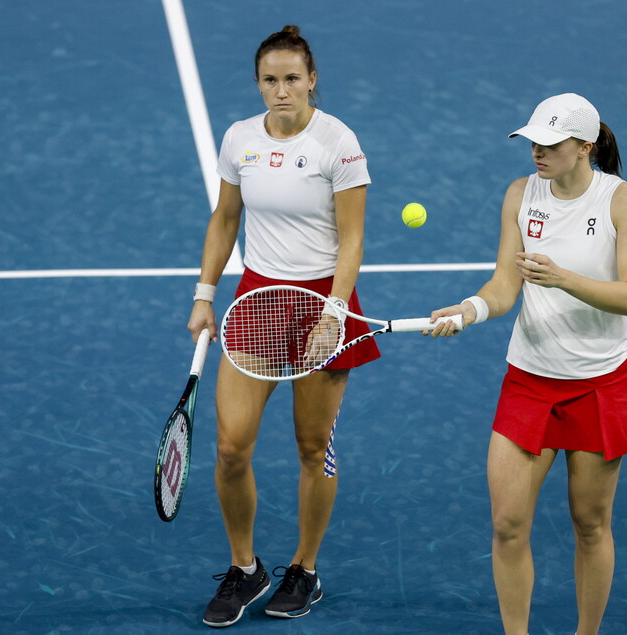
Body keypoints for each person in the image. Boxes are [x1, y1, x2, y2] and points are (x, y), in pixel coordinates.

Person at [428, 93, 627, 635]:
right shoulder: (520, 194)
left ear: (583, 147)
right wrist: (469, 311)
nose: (537, 151)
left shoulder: (622, 203)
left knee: (590, 523)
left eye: (550, 144)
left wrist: (563, 278)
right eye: (533, 140)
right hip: (530, 380)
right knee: (508, 525)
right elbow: (505, 286)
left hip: (602, 382)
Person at [186, 25, 379, 629]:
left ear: (312, 78)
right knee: (229, 447)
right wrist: (204, 294)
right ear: (258, 83)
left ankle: (305, 568)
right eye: (270, 80)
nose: (281, 90)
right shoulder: (240, 139)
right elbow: (224, 219)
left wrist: (336, 311)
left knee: (311, 447)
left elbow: (353, 239)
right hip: (258, 302)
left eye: (292, 78)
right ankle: (246, 570)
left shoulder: (338, 144)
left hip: (324, 300)